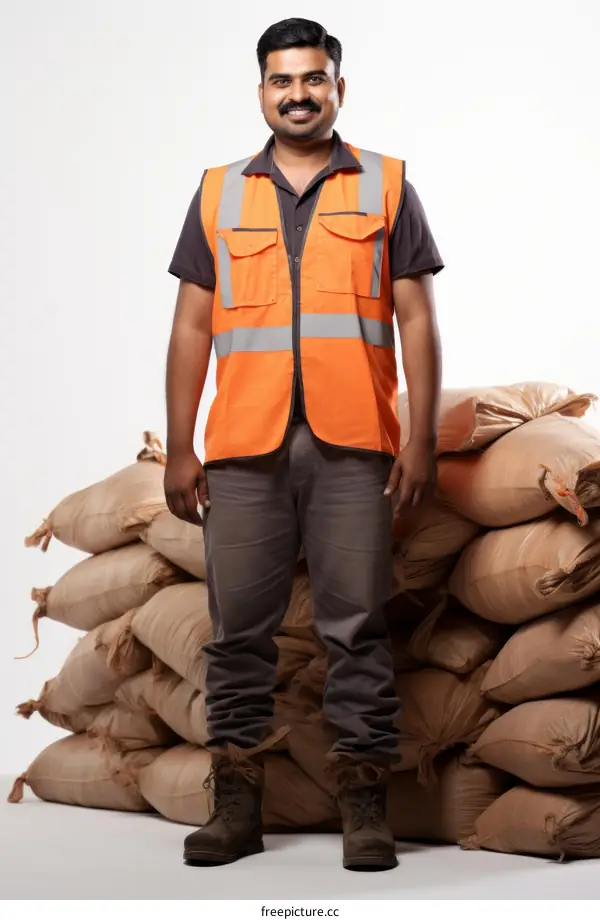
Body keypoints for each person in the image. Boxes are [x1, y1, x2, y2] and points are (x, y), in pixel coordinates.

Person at [164, 17, 443, 871]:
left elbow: (418, 319)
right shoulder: (218, 192)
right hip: (243, 448)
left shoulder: (386, 184)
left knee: (357, 629)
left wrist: (422, 438)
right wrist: (180, 445)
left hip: (355, 443)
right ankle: (236, 802)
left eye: (313, 79)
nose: (298, 94)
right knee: (235, 633)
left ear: (338, 89)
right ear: (261, 92)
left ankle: (366, 805)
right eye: (282, 81)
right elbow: (190, 329)